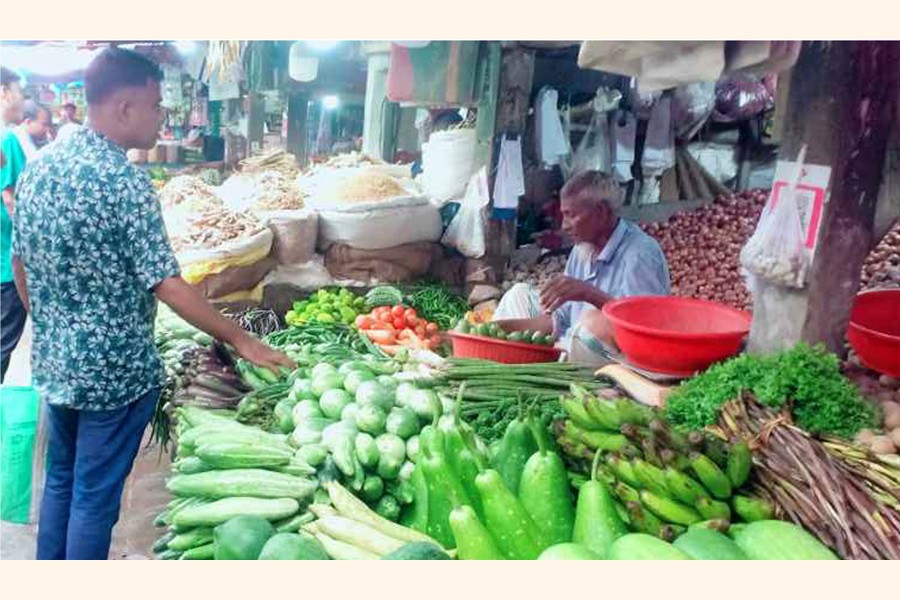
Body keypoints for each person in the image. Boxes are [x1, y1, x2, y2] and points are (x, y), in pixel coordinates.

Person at [11, 47, 294, 560]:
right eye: (155, 104)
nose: (161, 115)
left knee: (61, 483)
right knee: (94, 499)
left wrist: (50, 323)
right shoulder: (124, 182)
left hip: (55, 363)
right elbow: (167, 283)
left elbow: (21, 263)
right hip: (112, 375)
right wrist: (241, 339)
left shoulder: (40, 168)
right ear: (124, 108)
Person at [494, 170, 670, 364]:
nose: (565, 226)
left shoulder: (640, 253)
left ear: (601, 212)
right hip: (571, 341)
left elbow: (640, 327)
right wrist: (504, 329)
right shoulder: (582, 249)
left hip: (618, 358)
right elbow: (561, 318)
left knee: (594, 322)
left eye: (571, 215)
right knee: (518, 294)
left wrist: (590, 294)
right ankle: (507, 354)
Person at [1, 101, 51, 380]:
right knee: (5, 336)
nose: (46, 130)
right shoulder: (10, 139)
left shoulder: (22, 143)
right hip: (8, 255)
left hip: (12, 250)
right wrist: (30, 237)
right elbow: (7, 194)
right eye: (43, 123)